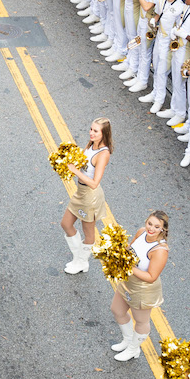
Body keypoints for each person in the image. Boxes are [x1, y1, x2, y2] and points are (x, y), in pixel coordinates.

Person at [108, 211, 169, 362]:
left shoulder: (160, 250)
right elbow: (129, 249)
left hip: (143, 289)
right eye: (150, 223)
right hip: (128, 281)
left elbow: (151, 277)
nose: (151, 229)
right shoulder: (141, 232)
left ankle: (134, 349)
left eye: (157, 226)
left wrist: (129, 267)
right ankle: (128, 340)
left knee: (141, 321)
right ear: (146, 222)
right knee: (117, 310)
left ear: (163, 229)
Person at [60, 117, 110, 274]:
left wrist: (75, 171)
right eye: (91, 129)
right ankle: (78, 259)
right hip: (80, 192)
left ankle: (81, 262)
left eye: (96, 131)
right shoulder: (91, 144)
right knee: (66, 224)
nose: (91, 133)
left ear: (104, 134)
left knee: (89, 234)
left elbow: (95, 183)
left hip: (90, 197)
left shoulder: (103, 153)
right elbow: (83, 162)